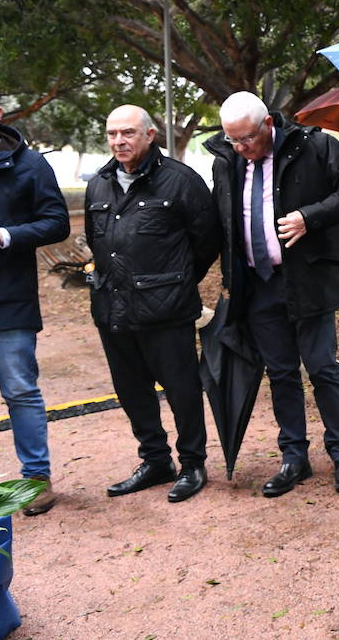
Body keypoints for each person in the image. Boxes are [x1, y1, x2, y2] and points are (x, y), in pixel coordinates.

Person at [206, 92, 339, 497]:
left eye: (246, 139)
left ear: (267, 125)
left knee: (321, 367)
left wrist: (309, 217)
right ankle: (293, 457)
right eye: (232, 141)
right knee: (279, 372)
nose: (241, 148)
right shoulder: (226, 160)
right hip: (257, 282)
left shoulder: (314, 145)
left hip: (307, 278)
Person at [86, 105, 220, 502]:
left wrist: (174, 282)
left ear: (150, 135)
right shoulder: (100, 183)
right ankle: (156, 461)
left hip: (167, 311)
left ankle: (193, 464)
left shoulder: (180, 181)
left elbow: (207, 241)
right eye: (112, 134)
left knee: (181, 389)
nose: (118, 141)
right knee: (131, 391)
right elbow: (99, 244)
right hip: (113, 309)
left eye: (127, 133)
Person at [0, 79, 69, 516]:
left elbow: (58, 223)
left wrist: (2, 236)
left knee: (20, 391)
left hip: (9, 302)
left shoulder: (30, 165)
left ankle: (36, 478)